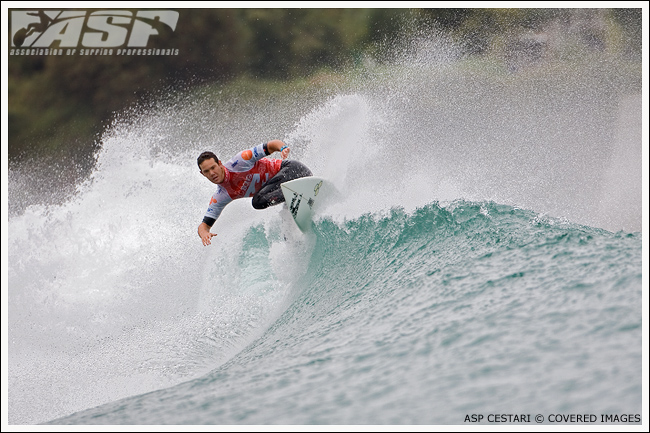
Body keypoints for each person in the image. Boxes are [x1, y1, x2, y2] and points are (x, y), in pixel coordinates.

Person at [197, 140, 312, 246]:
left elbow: (270, 146)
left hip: (294, 171)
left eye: (213, 167)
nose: (212, 173)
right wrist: (204, 234)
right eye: (206, 171)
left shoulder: (240, 161)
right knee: (289, 236)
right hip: (287, 189)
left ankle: (298, 193)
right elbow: (204, 225)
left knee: (258, 201)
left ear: (220, 164)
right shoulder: (221, 195)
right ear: (202, 174)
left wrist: (283, 148)